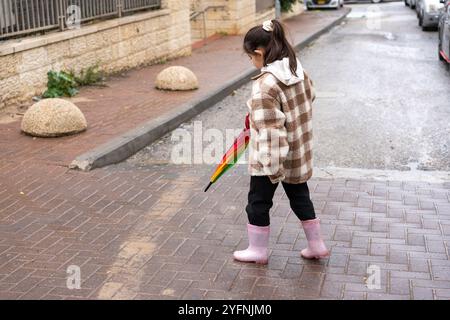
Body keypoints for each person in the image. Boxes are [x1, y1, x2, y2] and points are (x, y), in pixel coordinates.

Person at [233, 19, 329, 264]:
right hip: (297, 153)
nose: (251, 62)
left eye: (250, 57)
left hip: (272, 159)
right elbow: (312, 95)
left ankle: (257, 251)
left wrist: (271, 168)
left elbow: (271, 133)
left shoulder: (265, 85)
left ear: (259, 53)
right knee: (300, 198)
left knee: (258, 202)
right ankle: (316, 245)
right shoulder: (298, 70)